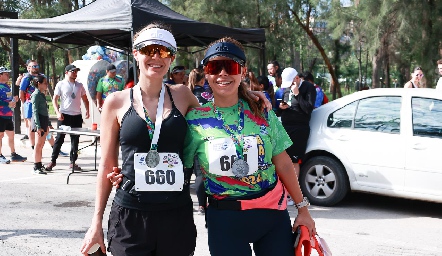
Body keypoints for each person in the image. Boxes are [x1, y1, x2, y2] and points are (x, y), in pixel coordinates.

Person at [184, 37, 316, 256]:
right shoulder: (195, 120)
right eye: (215, 66)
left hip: (272, 215)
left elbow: (283, 163)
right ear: (206, 72)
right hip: (225, 219)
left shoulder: (262, 111)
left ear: (242, 72)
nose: (223, 73)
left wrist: (303, 209)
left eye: (231, 66)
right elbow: (182, 169)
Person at [80, 22, 201, 256]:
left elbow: (217, 121)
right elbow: (106, 165)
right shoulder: (115, 101)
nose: (156, 57)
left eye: (164, 51)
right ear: (136, 53)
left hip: (176, 214)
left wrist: (250, 96)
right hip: (130, 214)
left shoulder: (183, 95)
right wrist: (96, 223)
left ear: (172, 57)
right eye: (148, 49)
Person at [45, 64, 90, 172]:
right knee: (59, 139)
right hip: (64, 115)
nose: (75, 73)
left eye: (76, 71)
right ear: (66, 72)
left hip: (77, 116)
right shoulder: (61, 84)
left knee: (75, 140)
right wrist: (57, 112)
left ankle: (73, 162)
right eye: (73, 71)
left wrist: (87, 110)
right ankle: (53, 161)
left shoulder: (79, 85)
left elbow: (85, 98)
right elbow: (54, 99)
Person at [278, 67, 316, 179]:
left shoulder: (309, 88)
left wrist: (297, 94)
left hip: (299, 128)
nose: (289, 86)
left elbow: (308, 109)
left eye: (291, 83)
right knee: (282, 160)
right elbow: (280, 108)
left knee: (294, 160)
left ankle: (293, 191)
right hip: (285, 127)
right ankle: (283, 188)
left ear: (297, 78)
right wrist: (281, 107)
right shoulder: (286, 88)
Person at [0, 67, 27, 164]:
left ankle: (13, 154)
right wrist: (7, 104)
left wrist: (14, 100)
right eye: (5, 74)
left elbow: (8, 99)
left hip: (8, 115)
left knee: (11, 135)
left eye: (8, 73)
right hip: (0, 115)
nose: (8, 75)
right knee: (0, 135)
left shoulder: (7, 86)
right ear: (0, 75)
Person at [19, 60, 43, 149]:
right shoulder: (27, 78)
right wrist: (25, 103)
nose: (35, 68)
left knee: (43, 124)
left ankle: (42, 145)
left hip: (40, 104)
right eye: (33, 66)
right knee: (31, 126)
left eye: (37, 66)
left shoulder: (42, 77)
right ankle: (33, 146)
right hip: (29, 103)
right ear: (29, 67)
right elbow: (21, 92)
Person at [30, 75, 51, 174]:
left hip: (44, 120)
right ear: (39, 83)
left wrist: (48, 123)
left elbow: (45, 110)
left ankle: (39, 163)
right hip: (39, 121)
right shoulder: (36, 95)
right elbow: (35, 111)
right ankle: (36, 166)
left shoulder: (41, 94)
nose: (47, 84)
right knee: (38, 145)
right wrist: (38, 127)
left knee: (41, 144)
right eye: (45, 83)